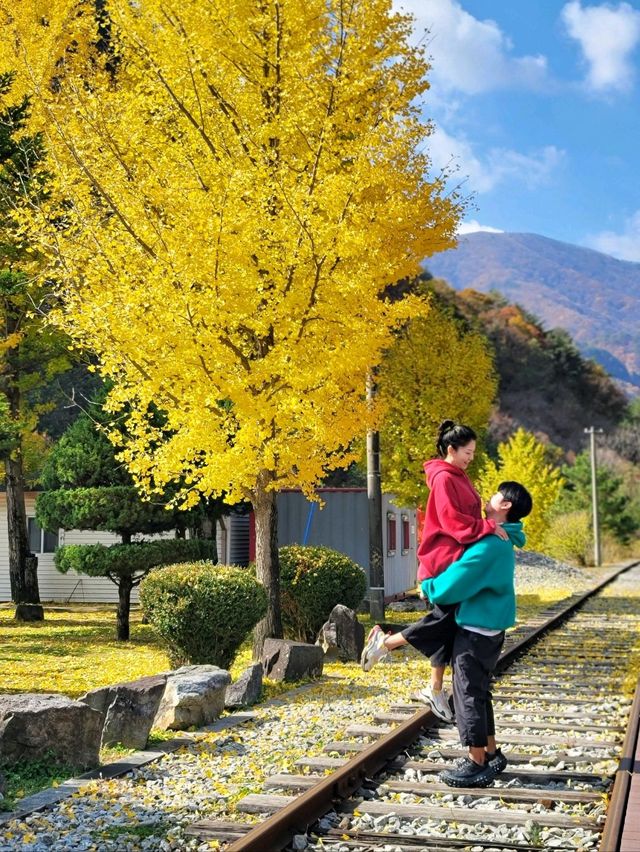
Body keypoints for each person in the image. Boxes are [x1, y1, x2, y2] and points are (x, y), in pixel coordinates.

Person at [361, 420, 508, 723]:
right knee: (442, 620)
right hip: (442, 562)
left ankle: (434, 688)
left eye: (473, 452)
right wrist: (488, 526)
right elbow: (454, 523)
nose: (471, 457)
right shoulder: (443, 479)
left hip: (453, 561)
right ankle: (386, 644)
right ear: (451, 450)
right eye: (467, 452)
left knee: (450, 624)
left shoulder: (458, 475)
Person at [423, 480, 533, 787]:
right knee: (480, 692)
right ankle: (491, 752)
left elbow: (456, 582)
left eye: (496, 494)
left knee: (467, 694)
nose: (490, 497)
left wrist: (428, 587)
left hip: (474, 631)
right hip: (489, 628)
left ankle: (475, 762)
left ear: (505, 506)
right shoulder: (503, 540)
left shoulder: (488, 545)